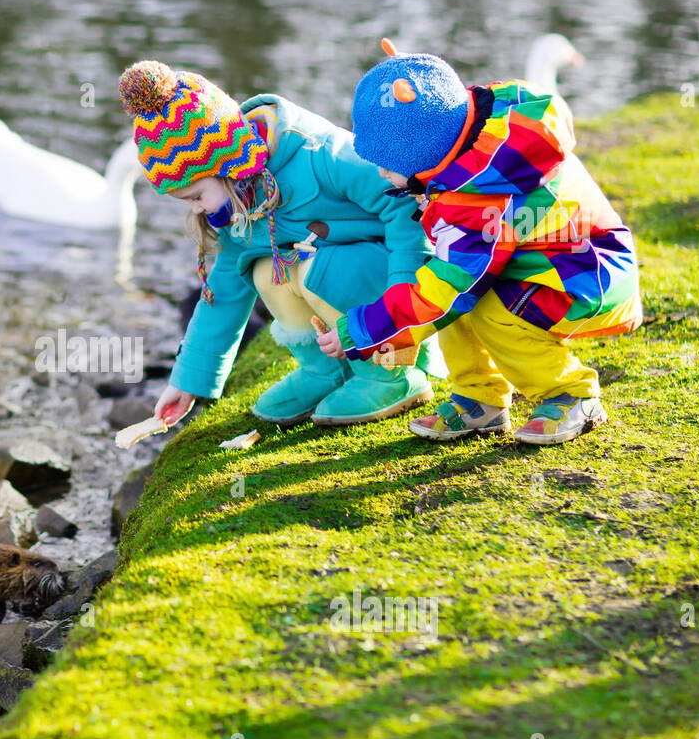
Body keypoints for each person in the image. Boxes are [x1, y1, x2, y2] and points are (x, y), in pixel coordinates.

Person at [317, 39, 641, 444]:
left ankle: (571, 393)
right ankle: (480, 399)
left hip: (588, 274)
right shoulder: (481, 136)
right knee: (459, 299)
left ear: (425, 154)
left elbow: (445, 290)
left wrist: (364, 329)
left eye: (388, 164)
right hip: (549, 263)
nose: (381, 174)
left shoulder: (477, 197)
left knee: (478, 306)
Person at [116, 59, 439, 428]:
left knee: (319, 270)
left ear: (226, 163)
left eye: (195, 196)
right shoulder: (240, 204)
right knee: (265, 270)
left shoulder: (319, 154)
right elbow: (222, 292)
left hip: (397, 296)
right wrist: (187, 382)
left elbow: (406, 205)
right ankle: (326, 372)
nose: (197, 209)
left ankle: (392, 375)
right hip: (355, 300)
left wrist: (403, 297)